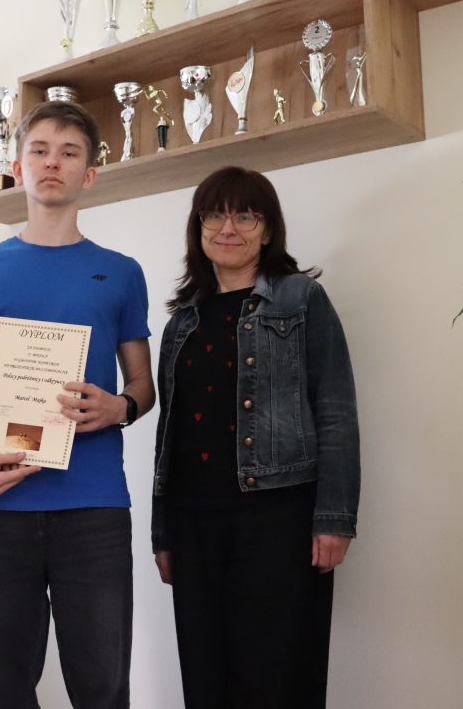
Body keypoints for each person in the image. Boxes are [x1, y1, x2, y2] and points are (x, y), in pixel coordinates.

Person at [0, 100, 155, 709]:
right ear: (18, 167)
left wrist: (119, 408)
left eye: (69, 153)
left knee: (102, 687)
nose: (52, 162)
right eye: (39, 150)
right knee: (4, 688)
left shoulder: (121, 272)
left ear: (90, 174)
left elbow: (143, 382)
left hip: (94, 508)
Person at [151, 166, 361, 709]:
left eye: (245, 215)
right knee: (205, 675)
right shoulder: (182, 322)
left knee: (273, 677)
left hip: (278, 519)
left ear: (267, 230)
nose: (228, 228)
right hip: (194, 522)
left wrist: (334, 518)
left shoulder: (301, 299)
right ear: (198, 227)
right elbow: (169, 431)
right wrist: (162, 533)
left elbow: (336, 410)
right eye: (214, 215)